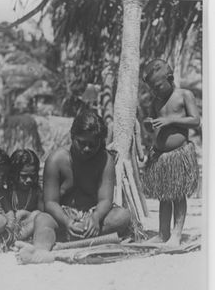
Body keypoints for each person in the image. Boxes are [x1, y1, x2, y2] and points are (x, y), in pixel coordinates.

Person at [15, 105, 131, 264]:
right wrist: (67, 222)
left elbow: (105, 200)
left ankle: (67, 243)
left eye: (93, 144)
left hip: (92, 219)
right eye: (82, 143)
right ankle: (40, 251)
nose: (87, 149)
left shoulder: (105, 161)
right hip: (62, 219)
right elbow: (50, 202)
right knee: (43, 219)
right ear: (72, 136)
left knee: (122, 216)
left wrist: (96, 217)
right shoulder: (56, 159)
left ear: (100, 142)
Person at [142, 59, 200, 247]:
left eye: (157, 86)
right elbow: (153, 128)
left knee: (177, 194)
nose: (155, 91)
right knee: (164, 196)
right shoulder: (155, 102)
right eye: (152, 88)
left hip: (177, 154)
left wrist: (170, 120)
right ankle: (163, 233)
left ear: (170, 78)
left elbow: (195, 120)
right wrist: (148, 126)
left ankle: (176, 234)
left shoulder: (184, 95)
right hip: (161, 156)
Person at [8, 149, 44, 241]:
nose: (29, 180)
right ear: (13, 174)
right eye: (23, 176)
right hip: (11, 225)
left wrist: (26, 214)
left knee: (37, 214)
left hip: (28, 227)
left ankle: (16, 239)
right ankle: (11, 238)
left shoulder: (36, 192)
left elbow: (42, 215)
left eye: (32, 176)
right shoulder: (9, 191)